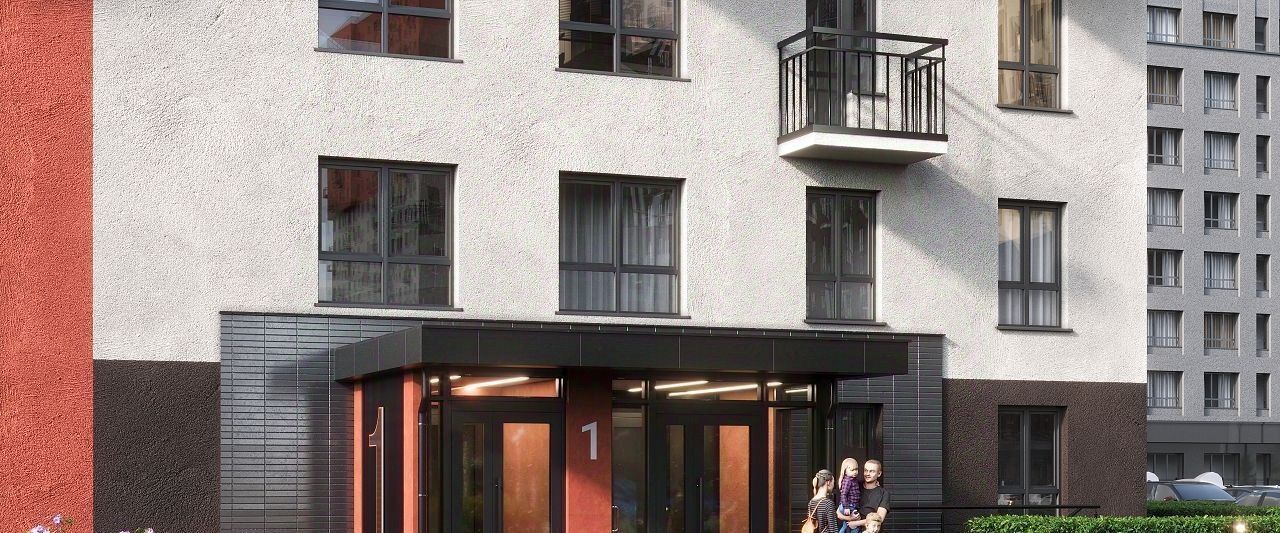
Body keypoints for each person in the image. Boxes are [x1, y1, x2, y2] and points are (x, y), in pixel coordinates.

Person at [850, 459, 890, 530]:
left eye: (871, 471)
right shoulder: (855, 486)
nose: (867, 474)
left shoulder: (884, 493)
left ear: (879, 474)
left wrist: (855, 523)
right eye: (866, 470)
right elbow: (840, 510)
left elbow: (879, 518)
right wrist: (848, 519)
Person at [835, 458, 862, 533]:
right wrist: (846, 507)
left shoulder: (853, 479)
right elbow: (843, 494)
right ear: (845, 471)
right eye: (852, 470)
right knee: (855, 525)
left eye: (856, 469)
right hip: (849, 505)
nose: (855, 472)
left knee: (846, 525)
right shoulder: (848, 481)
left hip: (851, 505)